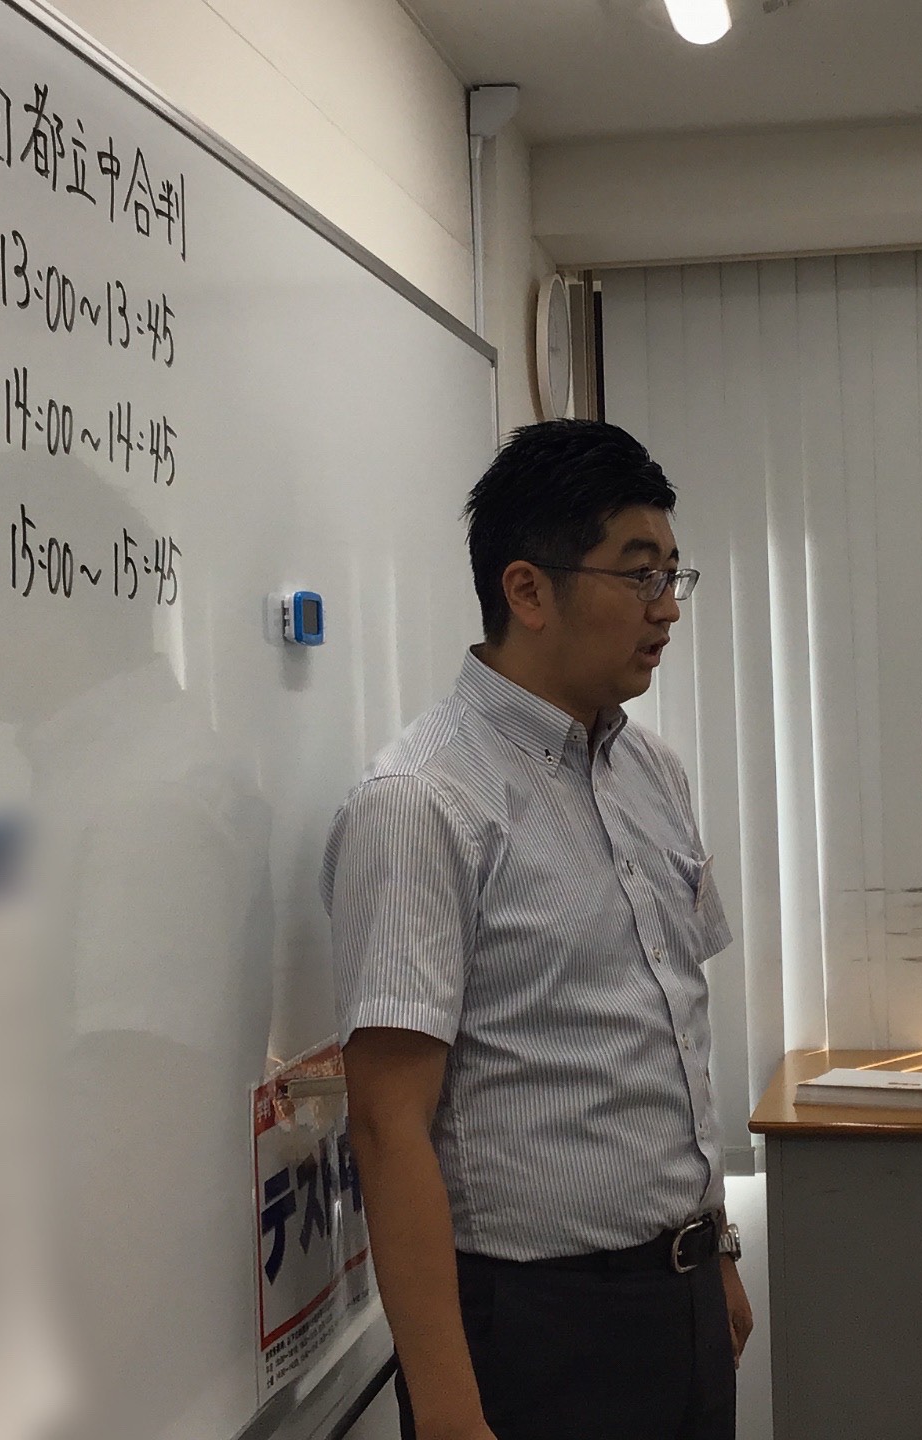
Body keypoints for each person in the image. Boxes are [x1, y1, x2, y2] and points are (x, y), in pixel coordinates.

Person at [325, 420, 745, 1440]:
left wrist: (717, 1252)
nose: (666, 607)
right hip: (534, 1326)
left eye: (673, 575)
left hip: (681, 1299)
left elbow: (675, 1037)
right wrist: (450, 1414)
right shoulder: (422, 801)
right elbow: (387, 1126)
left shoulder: (652, 771)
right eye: (638, 574)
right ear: (527, 590)